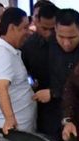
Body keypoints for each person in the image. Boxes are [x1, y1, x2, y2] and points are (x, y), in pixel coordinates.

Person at [0, 7, 36, 134]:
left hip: (22, 131)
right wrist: (9, 119)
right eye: (24, 28)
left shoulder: (10, 51)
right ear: (12, 28)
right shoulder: (2, 54)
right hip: (10, 132)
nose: (28, 32)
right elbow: (1, 86)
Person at [43, 9, 79, 138]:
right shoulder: (47, 45)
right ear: (55, 31)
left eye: (71, 37)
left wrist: (54, 92)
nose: (66, 43)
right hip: (51, 118)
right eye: (61, 37)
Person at [21, 2, 57, 133]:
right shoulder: (29, 45)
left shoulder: (67, 44)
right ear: (36, 22)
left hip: (64, 105)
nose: (48, 34)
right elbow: (23, 73)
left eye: (52, 29)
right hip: (39, 106)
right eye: (44, 29)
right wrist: (31, 82)